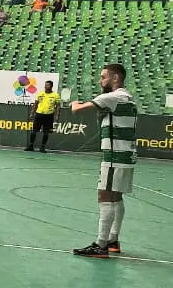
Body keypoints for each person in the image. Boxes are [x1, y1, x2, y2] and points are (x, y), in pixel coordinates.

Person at [69, 64, 136, 258]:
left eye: (104, 77)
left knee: (104, 196)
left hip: (115, 156)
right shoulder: (127, 97)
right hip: (125, 155)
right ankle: (113, 240)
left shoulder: (112, 97)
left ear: (116, 78)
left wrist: (74, 103)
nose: (101, 81)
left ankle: (100, 244)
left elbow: (78, 109)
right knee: (116, 196)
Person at [25, 80, 61, 152]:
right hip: (39, 114)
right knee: (34, 131)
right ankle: (31, 146)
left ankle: (42, 147)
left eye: (47, 85)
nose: (46, 86)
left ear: (51, 86)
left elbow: (58, 106)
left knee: (46, 132)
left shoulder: (55, 95)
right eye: (45, 85)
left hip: (49, 116)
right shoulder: (40, 94)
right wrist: (32, 113)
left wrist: (56, 115)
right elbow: (36, 104)